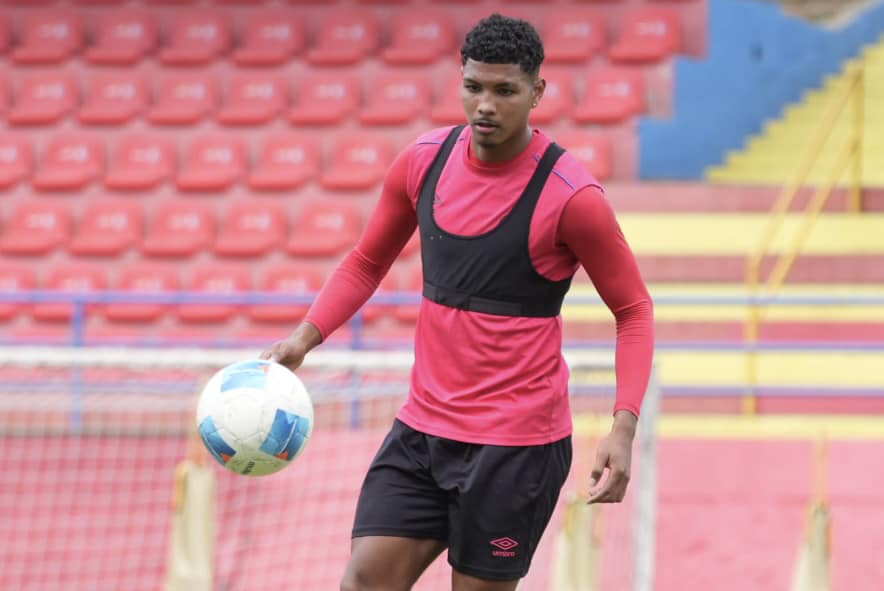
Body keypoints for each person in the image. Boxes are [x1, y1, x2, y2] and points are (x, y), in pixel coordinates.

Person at [261, 13, 655, 591]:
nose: (485, 105)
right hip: (423, 430)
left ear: (537, 92)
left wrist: (623, 427)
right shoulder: (423, 162)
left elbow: (634, 311)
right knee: (363, 582)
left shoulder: (573, 197)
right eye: (474, 87)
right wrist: (304, 338)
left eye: (505, 91)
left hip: (516, 445)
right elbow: (366, 262)